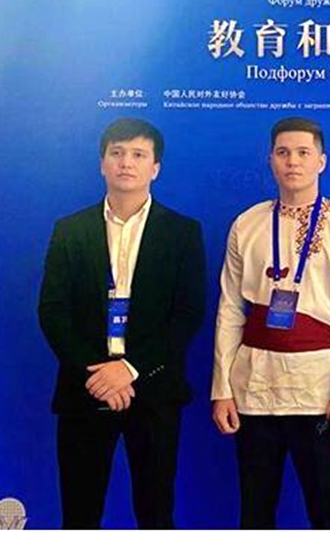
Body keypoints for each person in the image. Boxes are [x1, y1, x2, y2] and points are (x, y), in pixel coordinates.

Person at [38, 117, 206, 528]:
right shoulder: (70, 230)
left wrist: (129, 370)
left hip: (154, 389)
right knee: (79, 514)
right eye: (117, 153)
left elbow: (188, 313)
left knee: (155, 513)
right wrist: (98, 373)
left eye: (138, 154)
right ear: (102, 163)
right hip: (86, 388)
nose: (126, 163)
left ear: (155, 168)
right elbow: (53, 310)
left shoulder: (182, 232)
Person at [211, 117, 330, 529]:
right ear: (270, 160)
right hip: (254, 386)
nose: (293, 162)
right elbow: (230, 309)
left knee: (325, 510)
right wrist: (222, 389)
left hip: (319, 388)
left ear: (322, 161)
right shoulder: (247, 223)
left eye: (304, 153)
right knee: (255, 510)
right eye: (283, 153)